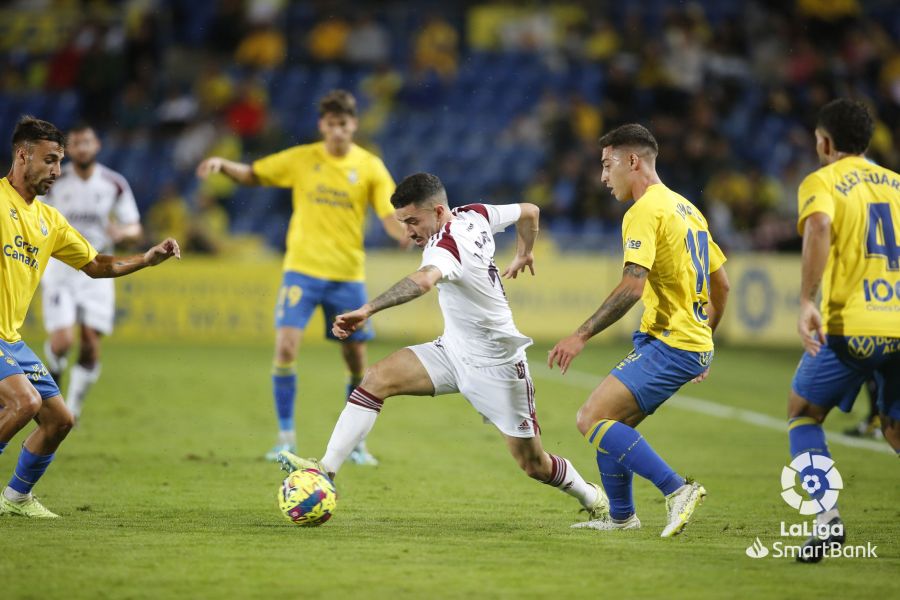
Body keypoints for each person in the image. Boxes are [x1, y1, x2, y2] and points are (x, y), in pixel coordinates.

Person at [278, 172, 609, 521]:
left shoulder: (446, 245)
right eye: (402, 222)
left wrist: (368, 309)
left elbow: (422, 281)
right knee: (375, 379)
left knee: (534, 465)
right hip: (452, 352)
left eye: (412, 221)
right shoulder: (476, 212)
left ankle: (593, 498)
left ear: (437, 212)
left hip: (497, 366)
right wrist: (525, 252)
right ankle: (325, 472)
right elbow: (530, 211)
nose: (408, 232)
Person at [196, 90, 408, 463]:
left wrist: (403, 234)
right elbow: (254, 174)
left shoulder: (370, 166)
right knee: (286, 348)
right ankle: (285, 437)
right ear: (322, 126)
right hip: (302, 271)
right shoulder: (302, 159)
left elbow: (388, 215)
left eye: (344, 124)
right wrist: (223, 165)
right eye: (331, 124)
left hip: (346, 275)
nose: (338, 131)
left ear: (353, 125)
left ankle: (355, 444)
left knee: (356, 362)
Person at [548, 124, 730, 537]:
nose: (602, 176)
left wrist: (580, 335)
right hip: (685, 341)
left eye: (606, 164)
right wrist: (706, 338)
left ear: (632, 161)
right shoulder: (687, 209)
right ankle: (622, 516)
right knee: (613, 422)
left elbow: (633, 285)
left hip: (672, 342)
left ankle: (677, 489)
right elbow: (723, 284)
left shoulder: (644, 210)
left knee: (590, 417)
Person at [0, 116, 180, 518]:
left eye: (60, 162)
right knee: (24, 404)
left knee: (59, 421)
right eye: (49, 161)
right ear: (22, 155)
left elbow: (97, 264)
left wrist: (147, 259)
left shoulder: (48, 219)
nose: (57, 171)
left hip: (9, 339)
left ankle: (15, 499)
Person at [787, 99, 900, 562]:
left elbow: (818, 226)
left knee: (802, 412)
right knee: (894, 428)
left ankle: (827, 522)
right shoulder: (897, 185)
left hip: (850, 327)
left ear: (826, 143)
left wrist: (806, 299)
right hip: (898, 325)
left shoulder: (823, 181)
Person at [41, 123, 143, 422]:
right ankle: (56, 369)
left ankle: (71, 409)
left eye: (87, 142)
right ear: (67, 149)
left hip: (98, 268)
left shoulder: (114, 183)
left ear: (96, 145)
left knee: (89, 344)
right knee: (62, 342)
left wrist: (122, 232)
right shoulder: (55, 181)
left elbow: (135, 225)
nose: (81, 148)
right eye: (75, 143)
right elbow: (36, 216)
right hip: (60, 269)